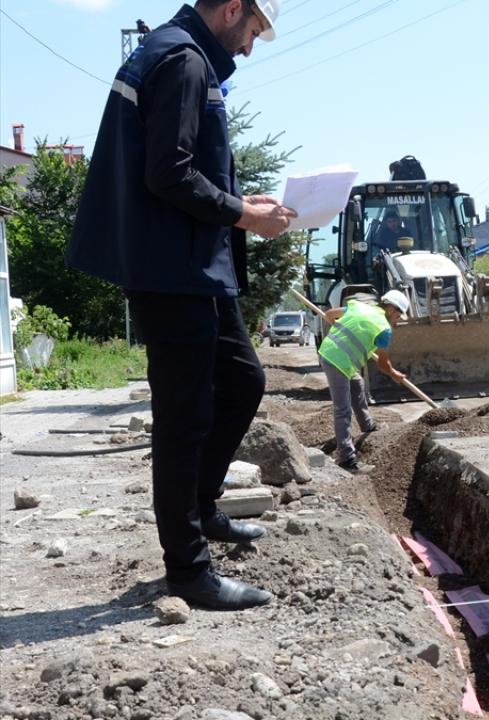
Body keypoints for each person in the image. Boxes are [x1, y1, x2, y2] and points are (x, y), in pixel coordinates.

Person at [64, 0, 289, 611]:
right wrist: (244, 214)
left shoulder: (176, 53)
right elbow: (169, 174)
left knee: (243, 381)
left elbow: (181, 167)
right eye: (251, 32)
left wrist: (244, 198)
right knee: (183, 419)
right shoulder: (184, 60)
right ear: (233, 9)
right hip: (173, 270)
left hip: (195, 265)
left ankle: (204, 509)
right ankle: (188, 571)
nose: (247, 47)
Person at [318, 291, 411, 473]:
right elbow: (383, 364)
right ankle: (347, 459)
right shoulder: (383, 329)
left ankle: (368, 426)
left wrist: (340, 328)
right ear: (391, 309)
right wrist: (394, 374)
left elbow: (329, 315)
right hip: (336, 362)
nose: (398, 319)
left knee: (357, 383)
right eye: (398, 315)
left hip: (331, 354)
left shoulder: (359, 306)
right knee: (342, 409)